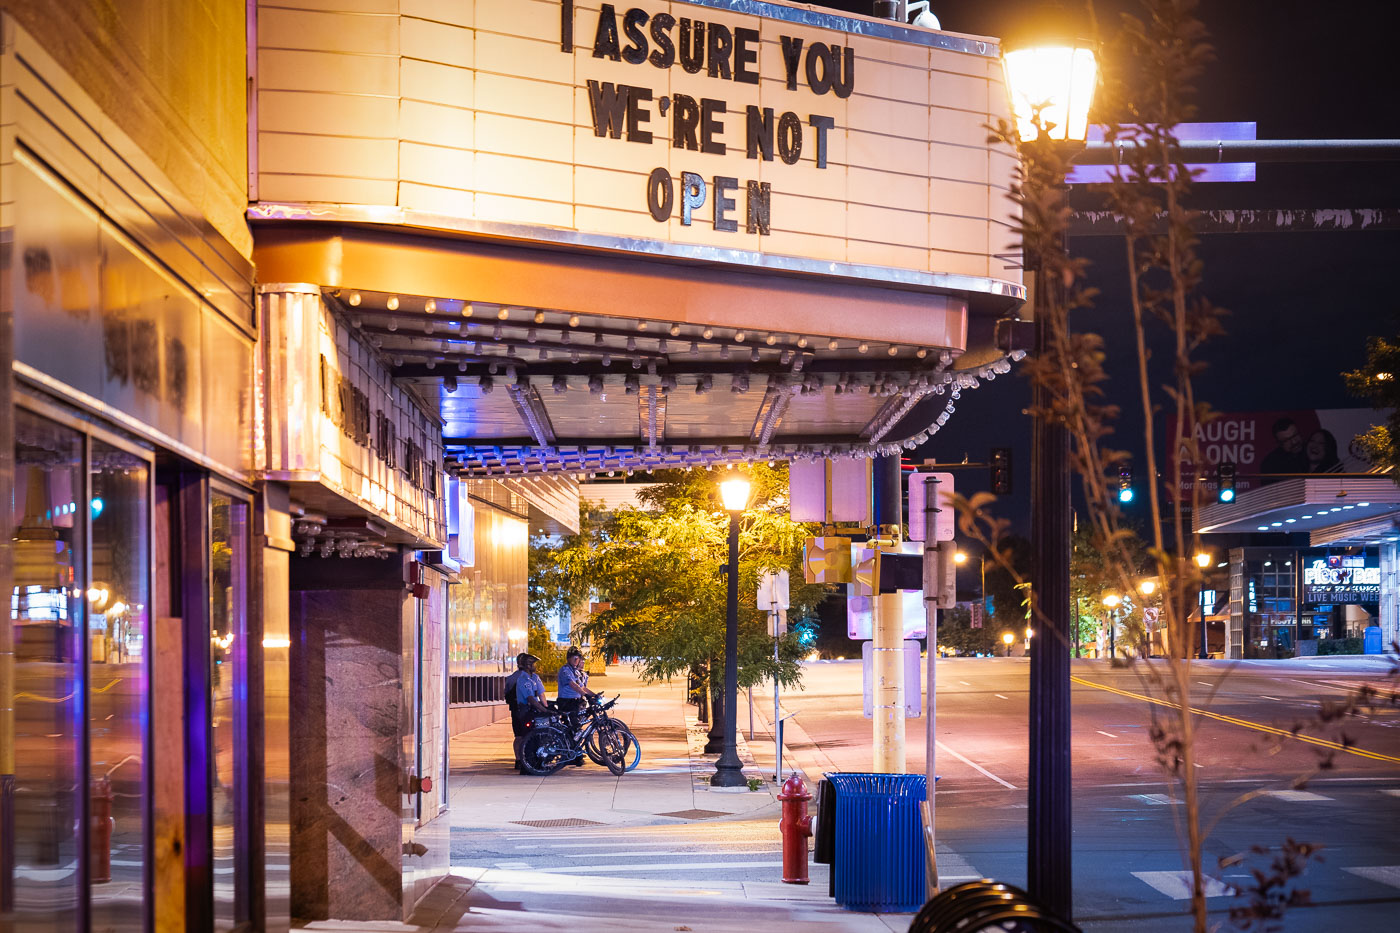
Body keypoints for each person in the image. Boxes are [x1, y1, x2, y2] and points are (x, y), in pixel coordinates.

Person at [512, 653, 549, 773]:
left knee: (538, 738)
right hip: (525, 711)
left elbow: (541, 694)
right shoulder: (523, 679)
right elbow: (531, 699)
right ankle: (526, 766)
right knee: (528, 738)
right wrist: (543, 710)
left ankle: (537, 764)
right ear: (528, 665)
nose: (535, 666)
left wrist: (547, 708)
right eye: (533, 664)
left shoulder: (534, 677)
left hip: (534, 710)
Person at [555, 646, 600, 721]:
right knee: (573, 725)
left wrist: (594, 695)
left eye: (578, 658)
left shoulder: (575, 671)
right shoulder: (565, 670)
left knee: (580, 723)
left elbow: (582, 687)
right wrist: (585, 695)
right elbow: (573, 685)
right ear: (568, 658)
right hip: (567, 702)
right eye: (574, 658)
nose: (576, 660)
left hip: (576, 702)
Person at [1259, 417, 1308, 482]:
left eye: (1295, 435)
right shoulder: (1270, 464)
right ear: (1279, 443)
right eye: (1287, 440)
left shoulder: (1313, 452)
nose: (1294, 442)